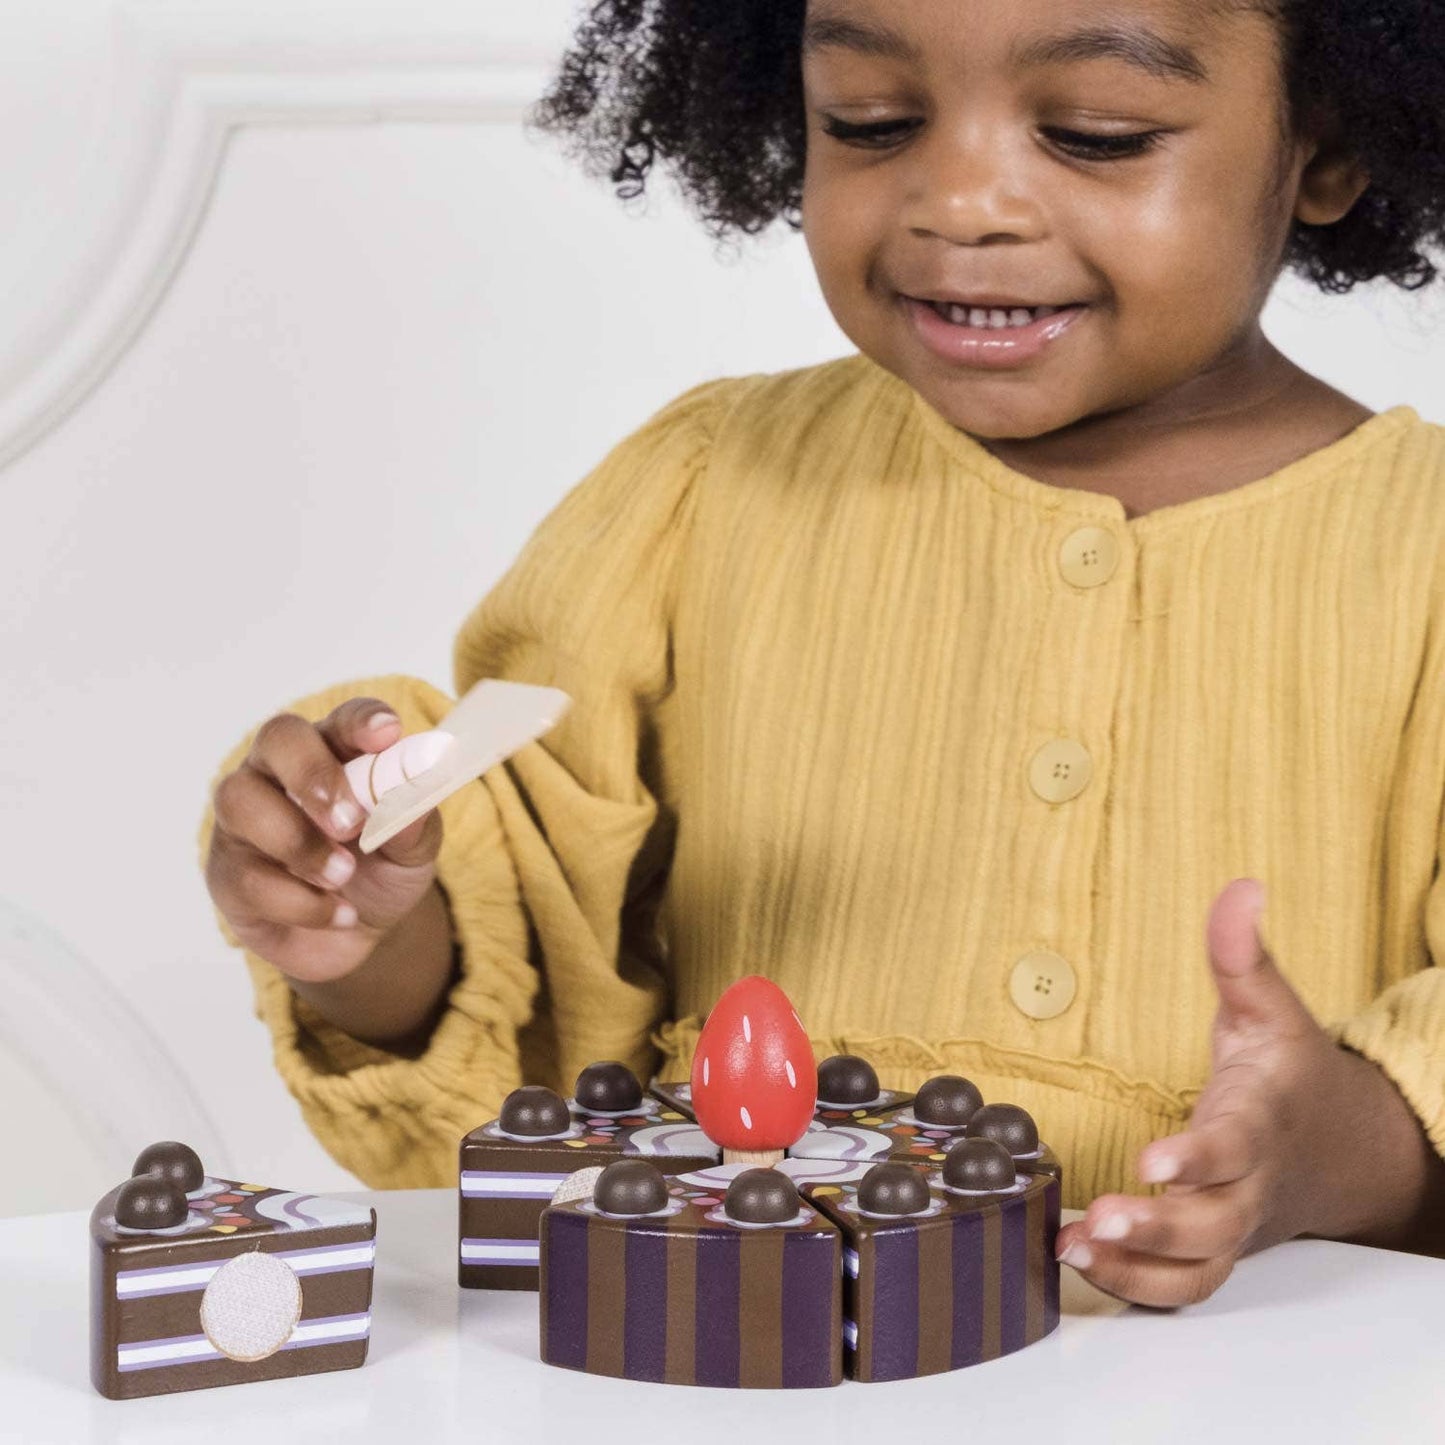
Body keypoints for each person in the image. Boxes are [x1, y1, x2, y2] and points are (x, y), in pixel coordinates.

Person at [199, 0, 1445, 1307]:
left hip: (1247, 1377)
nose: (958, 203)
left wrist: (1327, 1146)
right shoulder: (702, 490)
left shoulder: (1419, 549)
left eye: (1094, 134)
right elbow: (536, 996)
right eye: (872, 120)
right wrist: (368, 924)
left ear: (1325, 148)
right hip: (738, 1356)